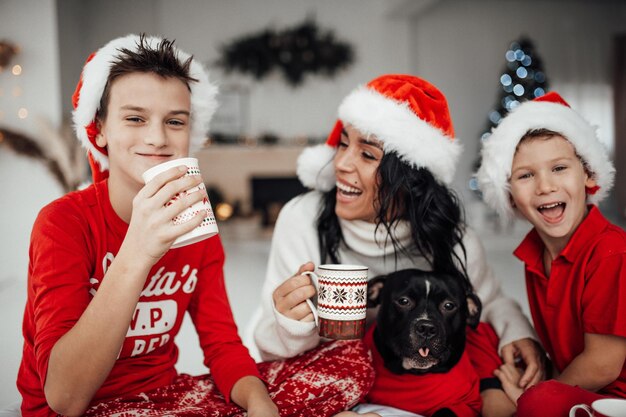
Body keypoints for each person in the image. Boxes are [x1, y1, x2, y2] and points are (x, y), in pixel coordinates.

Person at [16, 34, 372, 417]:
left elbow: (221, 345)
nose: (157, 138)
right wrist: (137, 250)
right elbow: (64, 397)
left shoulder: (195, 226)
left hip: (166, 397)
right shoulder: (64, 223)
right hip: (86, 408)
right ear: (99, 129)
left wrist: (260, 403)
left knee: (348, 358)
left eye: (175, 121)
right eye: (135, 118)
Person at [251, 74, 544, 417]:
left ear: (408, 177)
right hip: (316, 370)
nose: (342, 164)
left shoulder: (451, 236)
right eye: (344, 144)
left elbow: (488, 300)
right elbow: (270, 345)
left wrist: (516, 333)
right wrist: (291, 323)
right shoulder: (304, 218)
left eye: (368, 154)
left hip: (409, 383)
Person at [476, 91, 626, 416]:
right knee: (483, 339)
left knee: (536, 404)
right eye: (526, 175)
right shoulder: (535, 255)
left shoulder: (610, 251)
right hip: (572, 383)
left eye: (559, 168)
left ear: (588, 175)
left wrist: (534, 397)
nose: (545, 186)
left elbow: (603, 366)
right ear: (510, 195)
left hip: (614, 398)